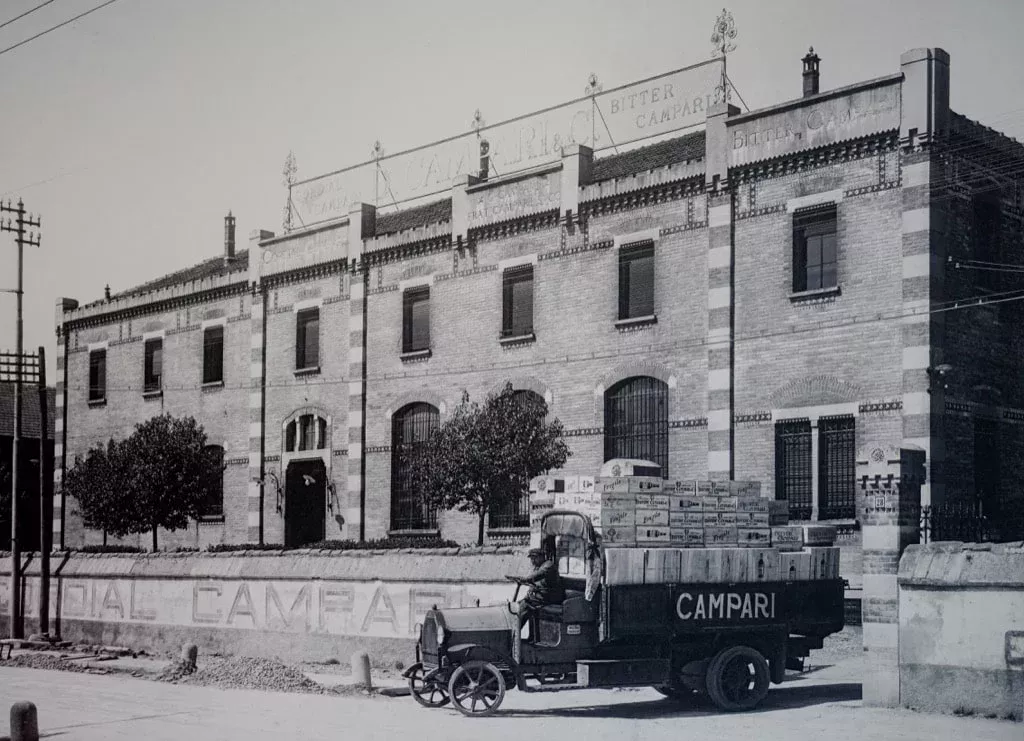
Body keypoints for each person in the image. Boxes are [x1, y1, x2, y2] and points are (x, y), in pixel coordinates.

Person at [517, 548, 565, 629]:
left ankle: (514, 632)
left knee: (525, 606)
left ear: (542, 557)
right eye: (531, 559)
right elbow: (533, 585)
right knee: (518, 605)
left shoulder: (548, 565)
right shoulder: (537, 567)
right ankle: (527, 634)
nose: (533, 561)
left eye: (534, 558)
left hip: (551, 597)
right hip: (542, 596)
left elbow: (538, 575)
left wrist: (526, 579)